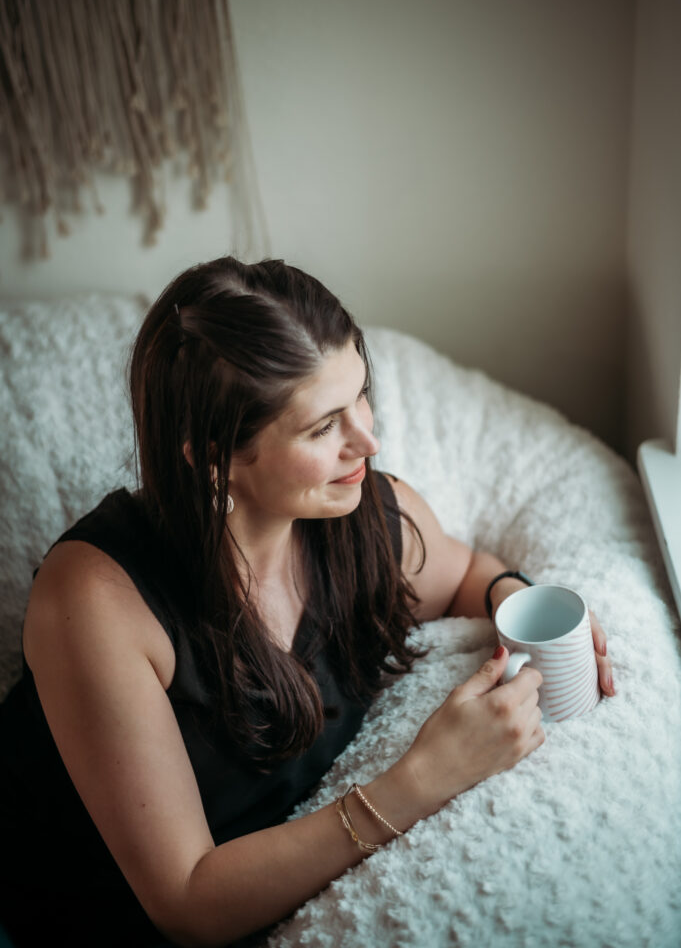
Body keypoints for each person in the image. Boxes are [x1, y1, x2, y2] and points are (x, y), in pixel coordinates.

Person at [0, 257, 615, 948]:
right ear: (214, 456)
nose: (368, 440)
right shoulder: (96, 601)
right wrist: (425, 776)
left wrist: (528, 611)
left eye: (361, 396)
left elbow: (469, 571)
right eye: (323, 427)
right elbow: (186, 902)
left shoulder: (367, 518)